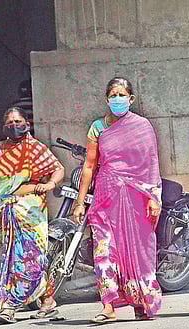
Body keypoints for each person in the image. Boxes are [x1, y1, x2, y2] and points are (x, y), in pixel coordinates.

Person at [73, 77, 162, 323]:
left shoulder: (142, 126)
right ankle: (109, 305)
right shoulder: (98, 128)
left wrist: (153, 197)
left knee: (137, 250)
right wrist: (81, 202)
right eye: (113, 95)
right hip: (105, 196)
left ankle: (141, 300)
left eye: (122, 95)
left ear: (131, 99)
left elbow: (151, 164)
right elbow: (90, 166)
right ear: (106, 99)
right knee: (104, 250)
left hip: (137, 199)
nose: (117, 99)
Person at [0, 107, 65, 323]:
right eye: (10, 123)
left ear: (27, 124)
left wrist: (50, 184)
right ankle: (46, 300)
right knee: (12, 258)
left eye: (18, 121)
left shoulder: (36, 149)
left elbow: (58, 169)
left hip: (32, 213)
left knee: (30, 257)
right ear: (4, 127)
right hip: (7, 212)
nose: (14, 126)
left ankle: (9, 306)